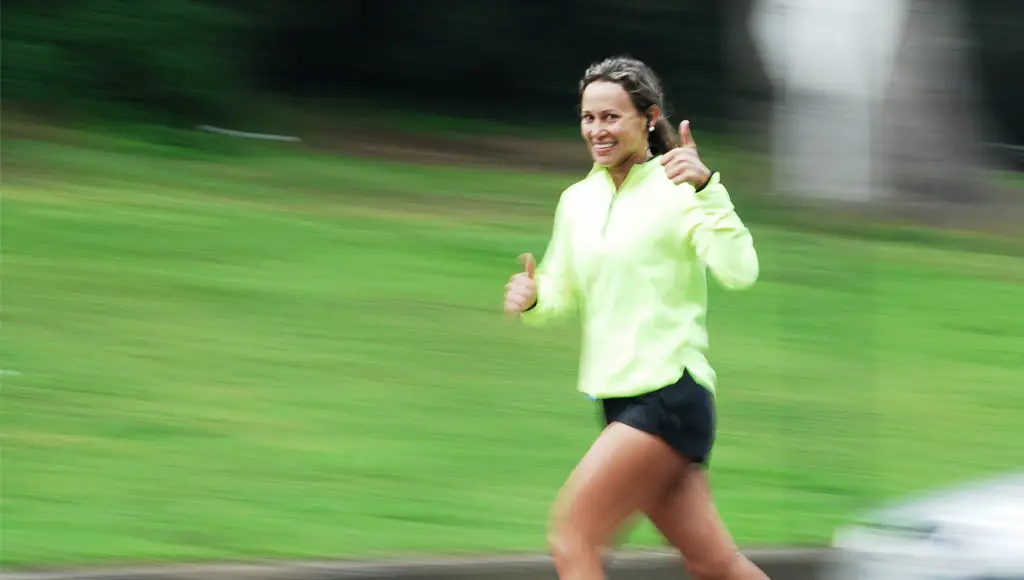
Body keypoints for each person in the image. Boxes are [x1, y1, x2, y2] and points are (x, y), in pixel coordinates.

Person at [502, 56, 770, 580]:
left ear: (648, 118)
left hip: (669, 394)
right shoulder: (577, 200)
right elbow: (563, 288)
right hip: (618, 400)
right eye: (588, 118)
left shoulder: (679, 187)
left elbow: (741, 271)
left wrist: (707, 189)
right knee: (715, 564)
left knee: (572, 537)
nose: (597, 130)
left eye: (611, 117)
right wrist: (535, 298)